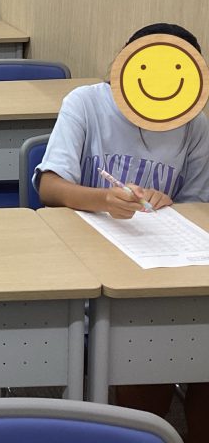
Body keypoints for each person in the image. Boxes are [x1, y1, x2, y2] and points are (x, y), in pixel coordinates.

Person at [36, 22, 209, 440]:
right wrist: (103, 199)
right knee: (149, 345)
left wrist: (168, 201)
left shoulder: (194, 123)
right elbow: (49, 187)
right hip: (88, 257)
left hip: (160, 262)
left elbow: (197, 206)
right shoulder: (86, 103)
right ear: (124, 63)